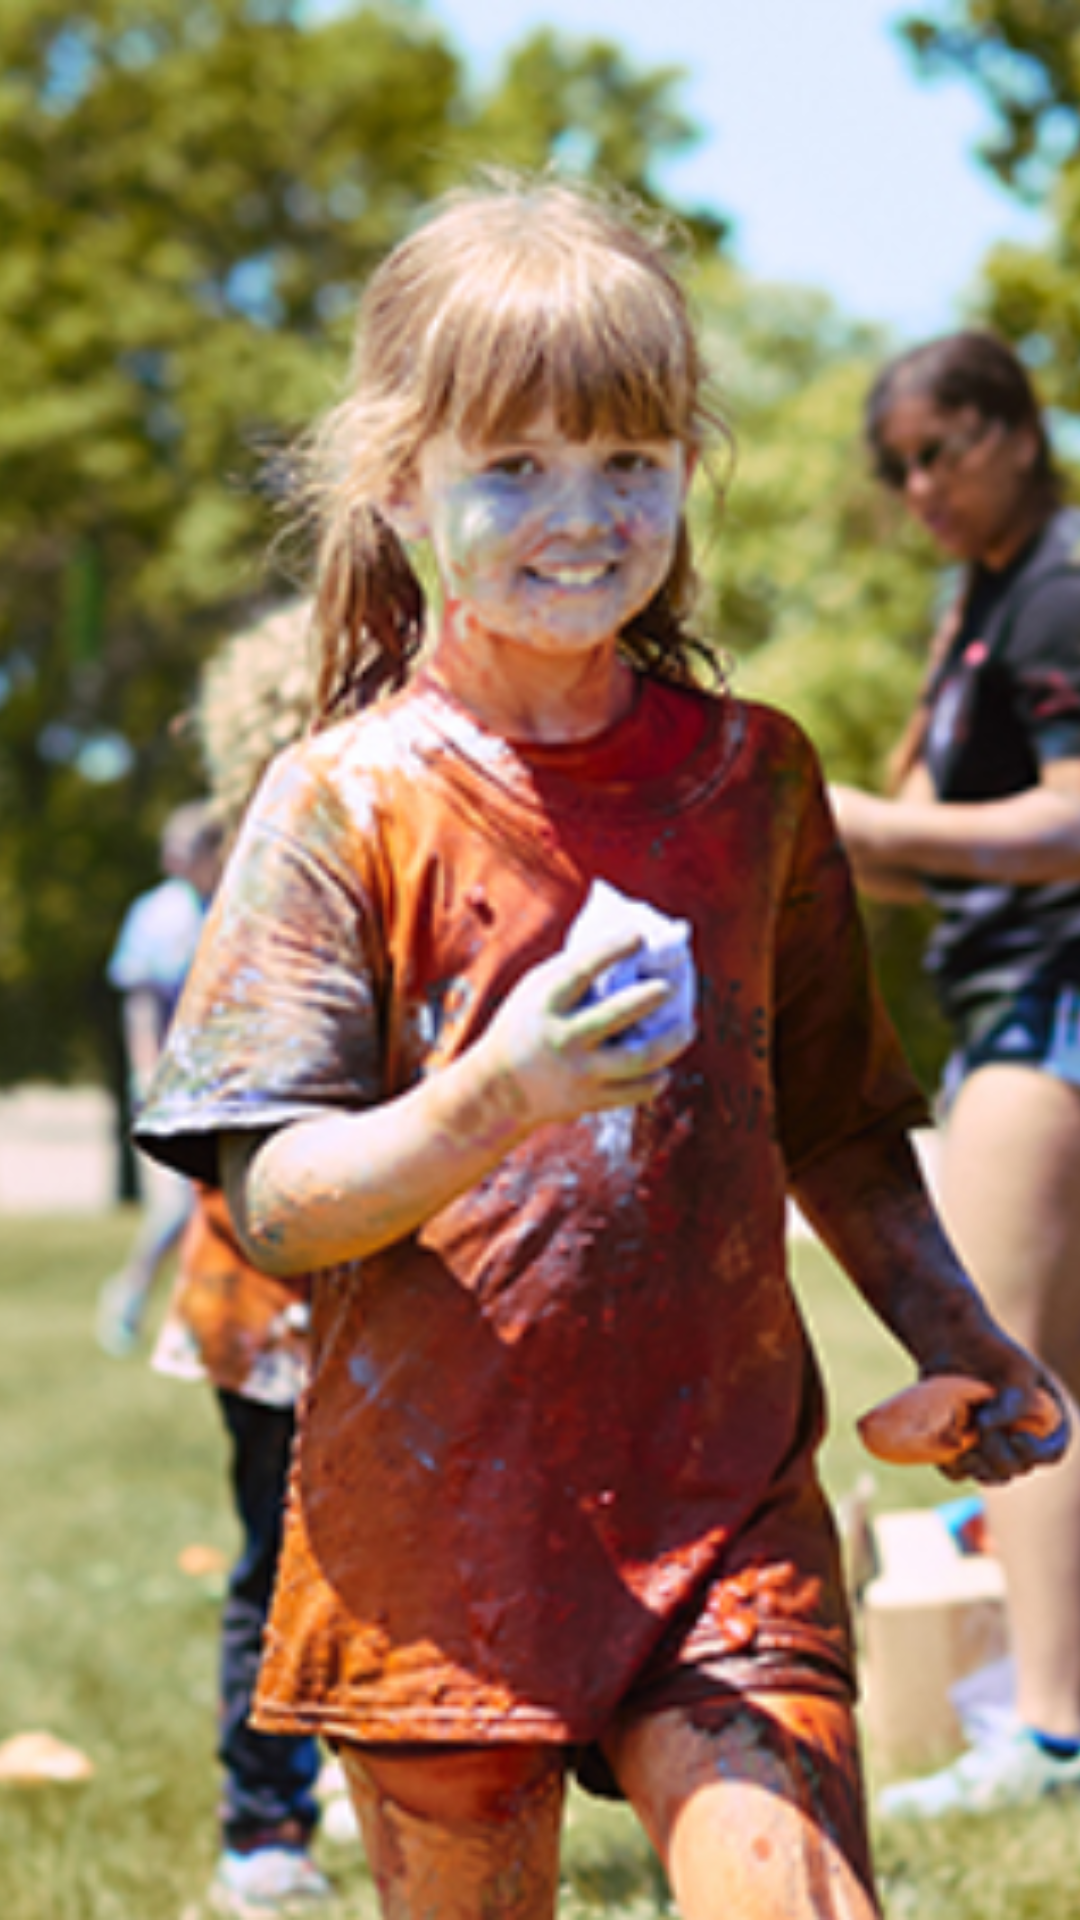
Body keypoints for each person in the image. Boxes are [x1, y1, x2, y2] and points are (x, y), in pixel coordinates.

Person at [135, 182, 1065, 1920]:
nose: (585, 515)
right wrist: (496, 1095)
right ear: (400, 484)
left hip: (724, 1494)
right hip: (438, 1523)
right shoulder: (346, 801)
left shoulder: (759, 783)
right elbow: (277, 1204)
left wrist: (966, 1338)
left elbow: (848, 1128)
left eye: (632, 460)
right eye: (516, 467)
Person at [830, 328, 1080, 1819]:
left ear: (1013, 431)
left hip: (1047, 1006)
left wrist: (859, 815)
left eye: (941, 451)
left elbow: (1069, 821)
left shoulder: (1057, 581)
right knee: (1047, 1374)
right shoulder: (984, 600)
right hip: (1006, 1003)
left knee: (1001, 1381)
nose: (920, 485)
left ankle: (1045, 1726)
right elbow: (924, 844)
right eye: (899, 467)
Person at [150, 607, 348, 1916]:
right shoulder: (276, 884)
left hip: (330, 1287)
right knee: (283, 1560)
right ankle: (263, 1822)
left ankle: (340, 1773)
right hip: (274, 1296)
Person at [96, 800, 223, 1356]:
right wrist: (146, 1074)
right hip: (169, 1084)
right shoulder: (154, 915)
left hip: (222, 1082)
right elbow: (141, 1006)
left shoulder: (234, 904)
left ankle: (201, 1320)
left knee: (218, 1213)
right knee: (174, 1207)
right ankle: (129, 1293)